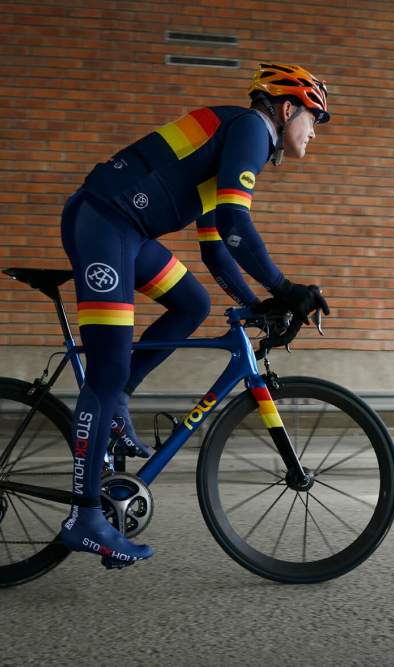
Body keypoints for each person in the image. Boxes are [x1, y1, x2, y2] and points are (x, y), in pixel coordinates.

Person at [58, 63, 332, 567]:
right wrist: (284, 288)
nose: (314, 132)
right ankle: (85, 518)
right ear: (287, 108)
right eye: (314, 119)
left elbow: (216, 248)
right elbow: (235, 223)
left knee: (193, 304)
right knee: (105, 372)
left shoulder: (233, 140)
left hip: (125, 232)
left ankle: (118, 399)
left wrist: (256, 304)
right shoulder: (251, 128)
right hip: (104, 224)